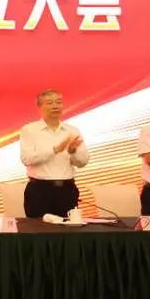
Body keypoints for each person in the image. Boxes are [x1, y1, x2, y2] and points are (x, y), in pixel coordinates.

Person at [19, 89, 89, 218]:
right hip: (40, 191)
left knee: (68, 228)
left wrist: (73, 152)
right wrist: (54, 150)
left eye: (58, 102)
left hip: (67, 190)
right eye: (50, 103)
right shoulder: (29, 130)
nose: (55, 106)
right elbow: (27, 159)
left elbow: (83, 162)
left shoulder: (72, 130)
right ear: (39, 106)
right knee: (39, 228)